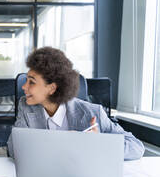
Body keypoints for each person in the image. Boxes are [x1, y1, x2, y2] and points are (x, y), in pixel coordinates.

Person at [8, 47, 144, 160]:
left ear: (52, 88)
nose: (24, 87)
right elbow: (13, 149)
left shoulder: (93, 112)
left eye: (31, 82)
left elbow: (136, 147)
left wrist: (97, 143)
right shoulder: (26, 106)